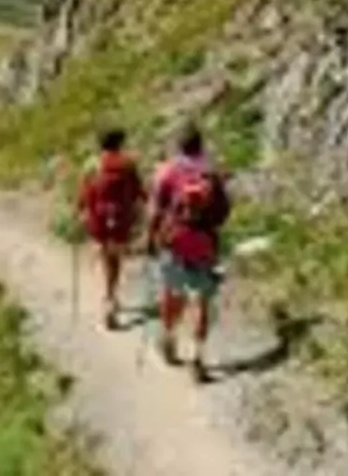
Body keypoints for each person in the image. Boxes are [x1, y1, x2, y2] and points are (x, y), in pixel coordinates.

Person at [148, 123, 232, 383]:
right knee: (202, 302)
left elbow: (156, 210)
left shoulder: (169, 172)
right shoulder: (211, 174)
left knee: (172, 293)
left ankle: (169, 339)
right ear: (201, 144)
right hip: (204, 243)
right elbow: (223, 213)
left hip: (175, 240)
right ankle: (198, 357)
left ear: (178, 146)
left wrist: (151, 238)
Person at [77, 127, 146, 329]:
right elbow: (138, 192)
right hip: (121, 220)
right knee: (115, 260)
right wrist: (139, 216)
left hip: (98, 221)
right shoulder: (127, 164)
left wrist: (81, 212)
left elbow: (84, 194)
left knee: (107, 258)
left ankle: (109, 298)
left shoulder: (91, 165)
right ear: (120, 143)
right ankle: (110, 298)